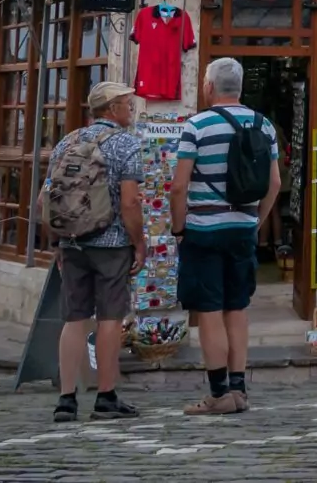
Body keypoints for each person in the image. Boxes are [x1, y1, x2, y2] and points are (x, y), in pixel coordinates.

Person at [172, 57, 281, 416]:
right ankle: (239, 389)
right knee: (237, 308)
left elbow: (179, 185)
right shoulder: (264, 125)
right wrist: (255, 221)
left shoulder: (196, 126)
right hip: (242, 230)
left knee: (209, 311)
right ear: (240, 86)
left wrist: (178, 229)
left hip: (204, 230)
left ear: (208, 87)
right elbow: (275, 183)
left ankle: (218, 394)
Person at [39, 81, 145, 423]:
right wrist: (139, 244)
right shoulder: (126, 144)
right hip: (111, 245)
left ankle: (66, 399)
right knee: (110, 319)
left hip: (72, 244)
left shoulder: (67, 142)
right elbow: (129, 203)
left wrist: (58, 241)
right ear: (112, 109)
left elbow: (45, 201)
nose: (132, 109)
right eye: (128, 104)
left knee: (74, 319)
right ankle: (106, 396)